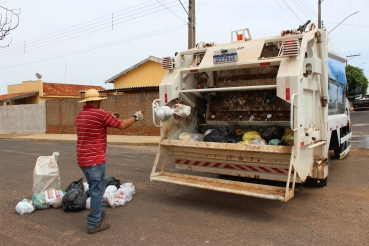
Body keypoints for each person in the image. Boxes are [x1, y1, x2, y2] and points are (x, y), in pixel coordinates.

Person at [76, 88, 143, 234]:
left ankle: (98, 211)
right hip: (95, 159)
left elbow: (96, 125)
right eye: (99, 100)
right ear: (96, 100)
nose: (100, 102)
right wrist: (136, 117)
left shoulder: (81, 115)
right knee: (97, 191)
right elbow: (122, 125)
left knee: (94, 187)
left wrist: (110, 116)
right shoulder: (100, 114)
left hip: (82, 158)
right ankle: (94, 224)